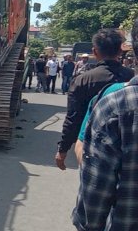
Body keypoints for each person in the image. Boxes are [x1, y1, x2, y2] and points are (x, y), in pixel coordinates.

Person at [72, 20, 138, 230]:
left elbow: (95, 197)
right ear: (122, 50)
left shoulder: (114, 105)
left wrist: (62, 148)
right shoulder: (124, 82)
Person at [54, 29, 134, 170]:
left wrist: (63, 149)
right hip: (129, 144)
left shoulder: (83, 80)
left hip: (90, 144)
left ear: (95, 51)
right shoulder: (131, 77)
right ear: (120, 52)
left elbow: (73, 117)